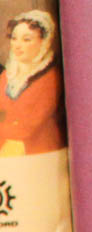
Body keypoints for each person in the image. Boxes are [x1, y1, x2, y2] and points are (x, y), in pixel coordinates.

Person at [0, 10, 64, 155]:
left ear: (44, 42)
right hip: (7, 146)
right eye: (14, 38)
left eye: (26, 39)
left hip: (38, 149)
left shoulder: (51, 77)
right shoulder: (7, 74)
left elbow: (28, 126)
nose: (17, 45)